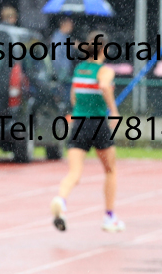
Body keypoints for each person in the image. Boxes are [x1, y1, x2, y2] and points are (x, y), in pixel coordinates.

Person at [50, 31, 125, 233]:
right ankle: (109, 217)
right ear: (104, 49)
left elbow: (73, 98)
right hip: (98, 124)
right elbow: (105, 87)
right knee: (110, 170)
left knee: (74, 173)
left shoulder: (79, 69)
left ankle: (61, 200)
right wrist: (114, 111)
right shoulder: (104, 71)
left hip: (79, 124)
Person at [51, 17, 75, 110]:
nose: (72, 27)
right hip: (61, 71)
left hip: (65, 70)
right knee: (62, 93)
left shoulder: (66, 37)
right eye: (70, 25)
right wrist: (59, 71)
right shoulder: (58, 37)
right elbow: (56, 55)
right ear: (63, 25)